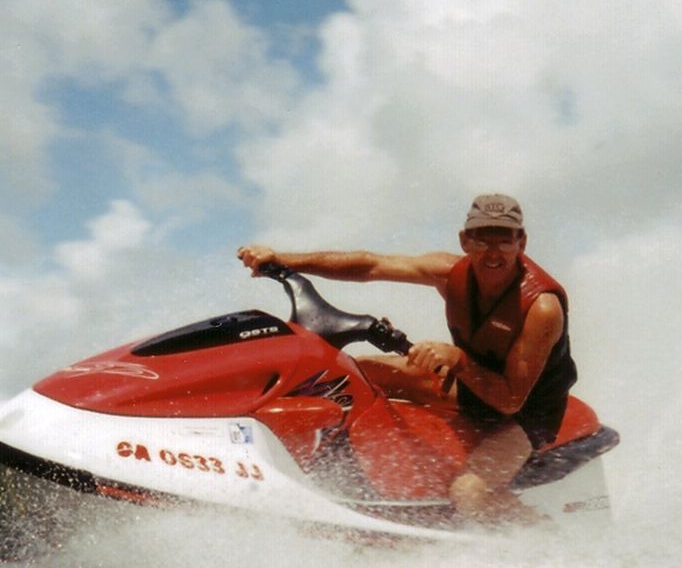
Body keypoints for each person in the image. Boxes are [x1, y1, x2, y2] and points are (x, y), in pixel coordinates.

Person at [236, 193, 577, 525]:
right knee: (355, 372)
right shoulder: (447, 271)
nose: (492, 252)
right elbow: (371, 265)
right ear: (464, 241)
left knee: (468, 493)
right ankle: (333, 466)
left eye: (504, 240)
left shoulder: (542, 308)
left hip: (528, 412)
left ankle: (548, 539)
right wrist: (282, 259)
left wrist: (457, 360)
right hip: (471, 385)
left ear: (522, 243)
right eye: (482, 239)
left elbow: (509, 401)